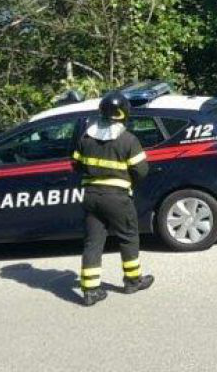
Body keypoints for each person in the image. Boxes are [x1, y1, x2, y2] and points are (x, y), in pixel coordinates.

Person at [71, 90, 154, 306]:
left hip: (90, 196)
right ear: (123, 113)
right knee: (128, 236)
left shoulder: (86, 137)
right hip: (116, 197)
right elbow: (142, 171)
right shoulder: (128, 139)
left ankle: (90, 291)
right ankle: (132, 280)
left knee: (93, 242)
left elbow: (76, 165)